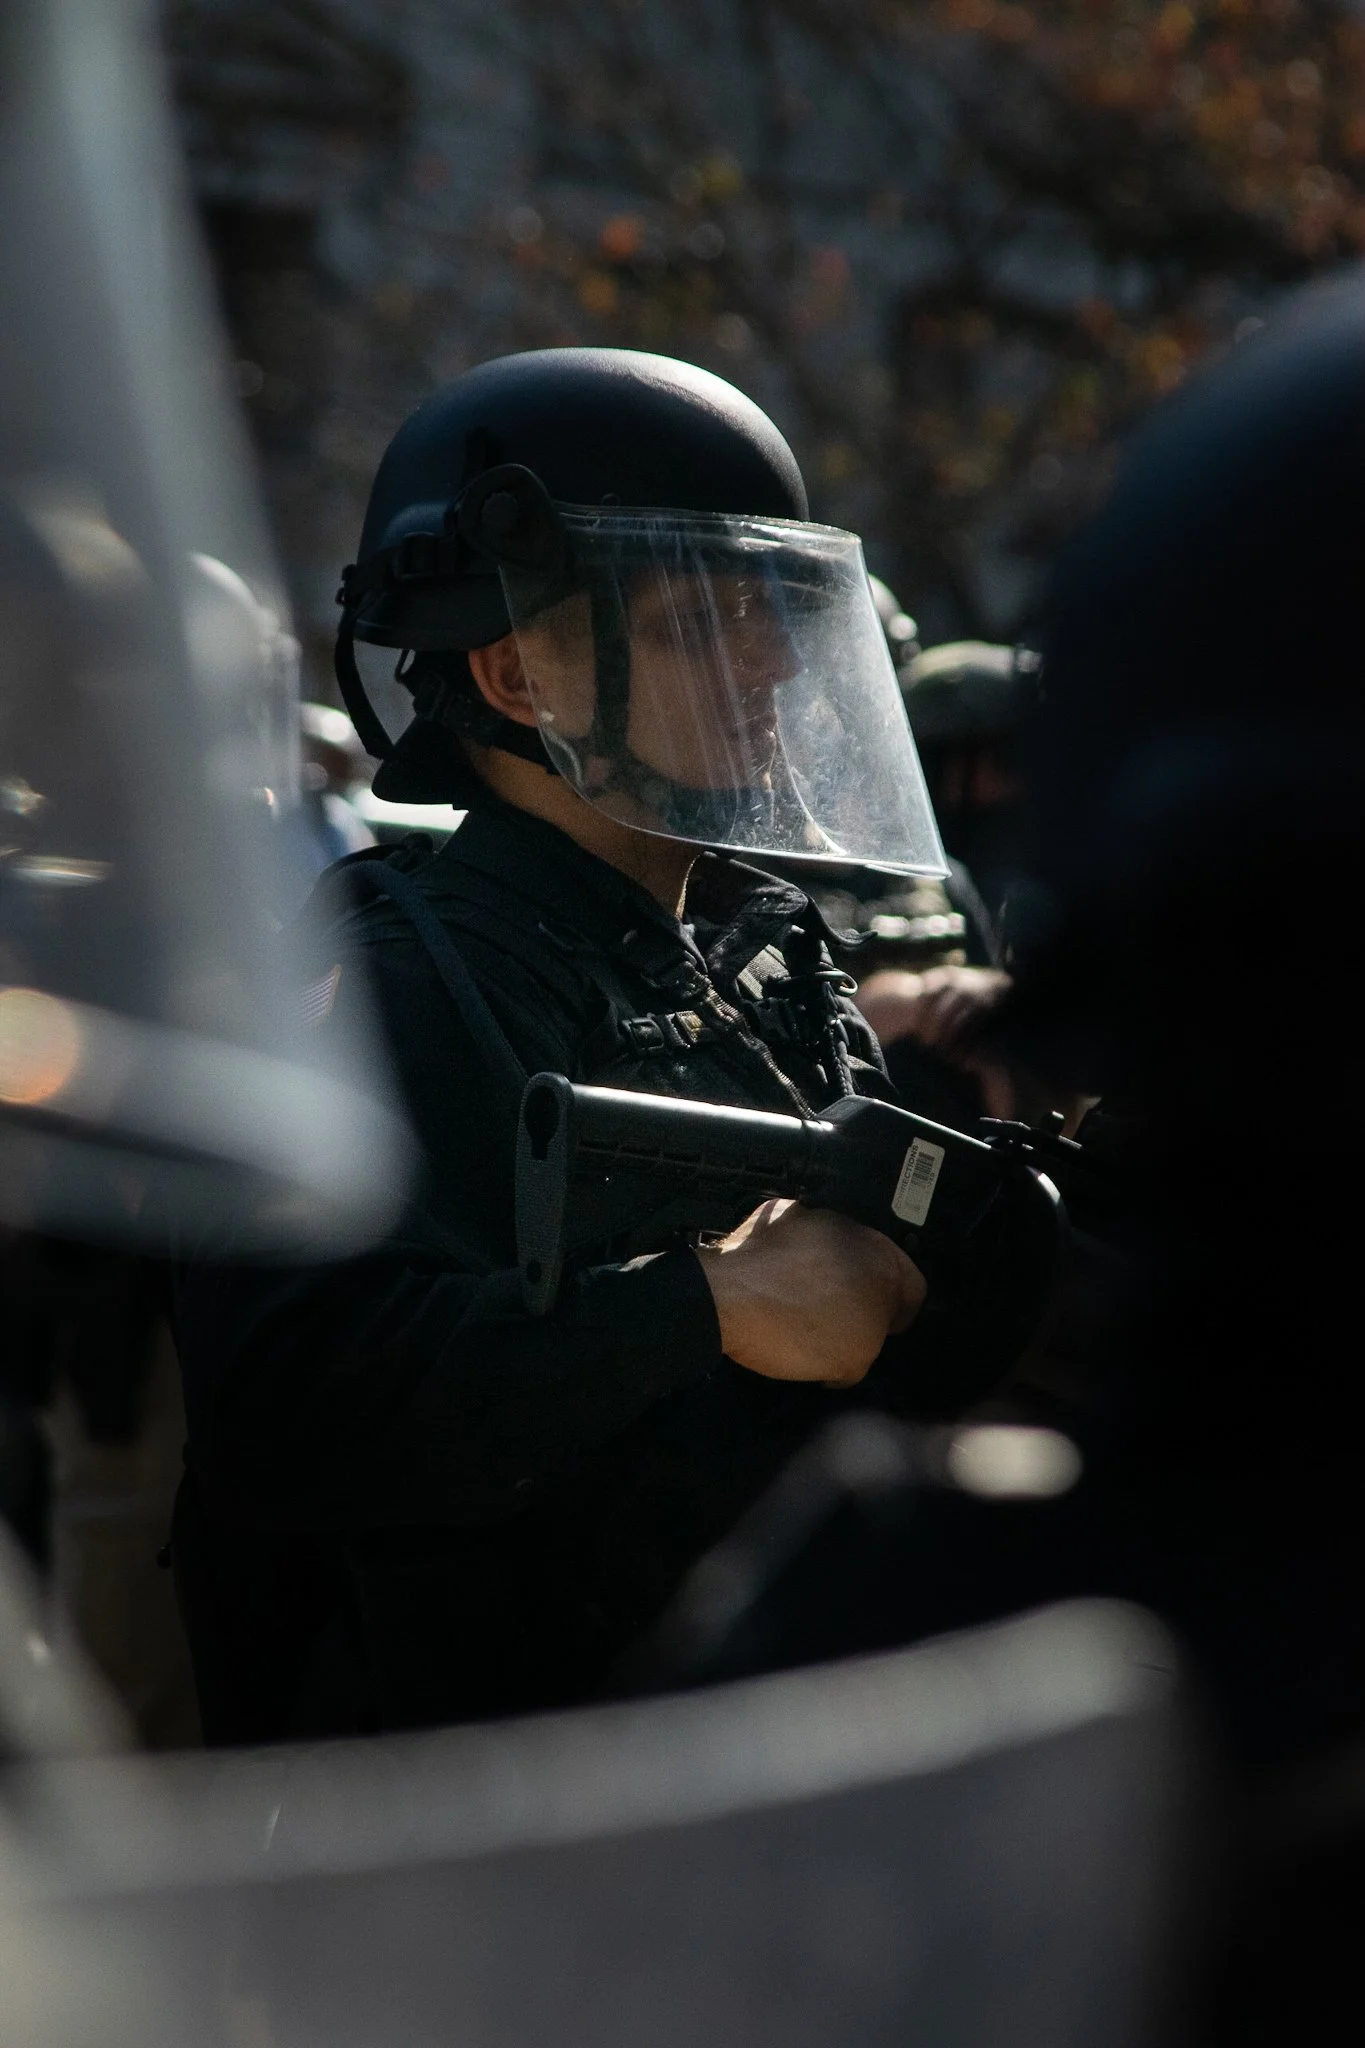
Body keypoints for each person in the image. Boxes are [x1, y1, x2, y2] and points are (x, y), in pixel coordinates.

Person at [171, 348, 943, 1742]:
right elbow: (284, 1412)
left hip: (755, 1746)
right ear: (517, 671)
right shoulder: (394, 978)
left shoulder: (763, 942)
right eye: (702, 620)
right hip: (497, 1796)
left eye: (771, 607)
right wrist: (700, 1306)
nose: (772, 659)